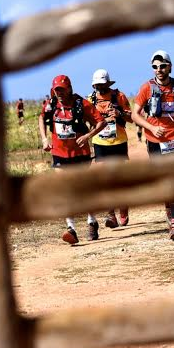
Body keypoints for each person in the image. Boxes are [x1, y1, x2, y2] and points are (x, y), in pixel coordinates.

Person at [131, 50, 174, 240]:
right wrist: (150, 128)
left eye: (162, 66)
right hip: (155, 142)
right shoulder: (147, 88)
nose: (159, 70)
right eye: (155, 67)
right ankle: (169, 214)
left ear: (170, 66)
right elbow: (135, 114)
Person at [39, 75, 106, 245]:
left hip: (80, 153)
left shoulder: (81, 104)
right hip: (59, 153)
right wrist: (44, 139)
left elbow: (101, 122)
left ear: (69, 88)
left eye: (62, 89)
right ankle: (71, 228)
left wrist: (88, 136)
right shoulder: (51, 104)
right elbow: (41, 118)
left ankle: (92, 221)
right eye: (56, 90)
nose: (59, 93)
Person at [89, 69, 133, 228]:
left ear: (108, 83)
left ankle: (123, 208)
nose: (100, 87)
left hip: (119, 141)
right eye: (97, 85)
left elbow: (131, 118)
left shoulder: (119, 96)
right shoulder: (90, 99)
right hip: (100, 143)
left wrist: (119, 113)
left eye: (103, 84)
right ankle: (110, 215)